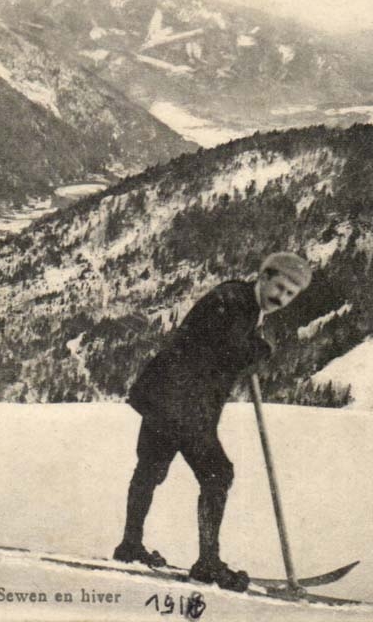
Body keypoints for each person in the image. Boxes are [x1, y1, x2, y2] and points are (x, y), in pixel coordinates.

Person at [113, 252, 313, 592]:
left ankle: (130, 545)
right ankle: (208, 562)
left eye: (290, 294)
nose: (281, 297)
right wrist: (258, 350)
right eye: (278, 286)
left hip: (167, 395)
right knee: (216, 472)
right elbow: (230, 352)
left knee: (151, 467)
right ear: (263, 276)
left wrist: (253, 344)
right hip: (182, 402)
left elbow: (226, 349)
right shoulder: (234, 302)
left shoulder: (242, 304)